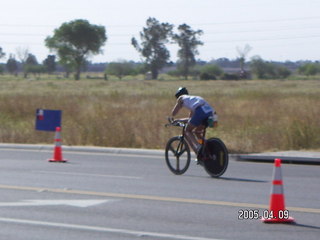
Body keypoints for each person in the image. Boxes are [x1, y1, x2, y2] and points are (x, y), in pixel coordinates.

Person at [170, 87, 217, 156]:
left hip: (200, 111)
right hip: (211, 113)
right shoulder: (193, 101)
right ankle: (206, 145)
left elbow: (173, 113)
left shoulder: (181, 98)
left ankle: (198, 146)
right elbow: (190, 119)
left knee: (187, 130)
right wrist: (179, 120)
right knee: (197, 132)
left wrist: (173, 117)